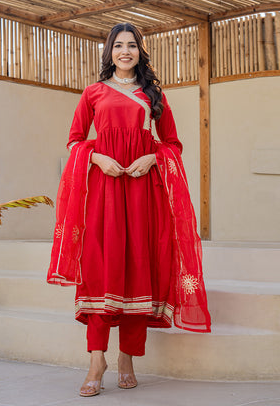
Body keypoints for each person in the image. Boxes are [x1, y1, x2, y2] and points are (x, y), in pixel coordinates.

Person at [47, 22, 211, 397]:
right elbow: (75, 141)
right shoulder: (93, 93)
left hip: (142, 191)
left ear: (140, 52)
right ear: (109, 52)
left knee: (140, 267)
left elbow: (173, 143)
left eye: (132, 46)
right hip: (103, 191)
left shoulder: (153, 94)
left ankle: (127, 358)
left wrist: (153, 158)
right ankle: (95, 361)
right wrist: (97, 156)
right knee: (102, 268)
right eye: (118, 46)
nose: (125, 51)